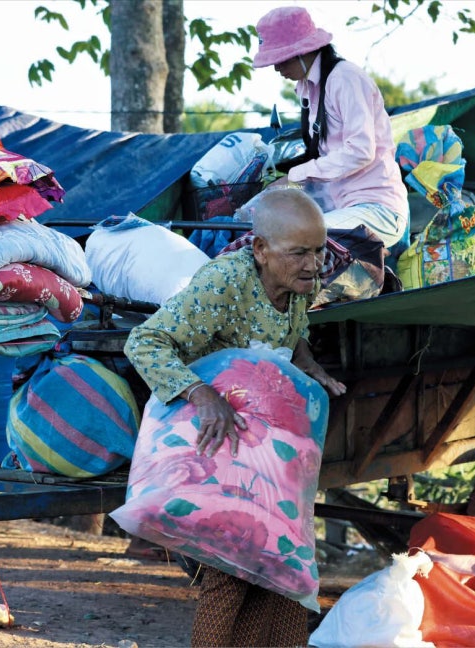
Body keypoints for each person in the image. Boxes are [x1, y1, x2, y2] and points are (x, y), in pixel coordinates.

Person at [124, 187, 346, 647]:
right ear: (260, 250)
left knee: (283, 562)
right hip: (213, 446)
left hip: (267, 449)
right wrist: (202, 394)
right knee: (233, 563)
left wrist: (311, 368)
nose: (313, 264)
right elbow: (144, 343)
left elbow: (294, 333)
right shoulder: (223, 283)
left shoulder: (300, 283)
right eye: (300, 253)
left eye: (320, 250)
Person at [252, 6, 411, 264]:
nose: (277, 68)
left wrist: (295, 176)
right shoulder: (306, 88)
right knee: (257, 227)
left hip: (379, 210)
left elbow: (360, 151)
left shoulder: (345, 78)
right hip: (342, 208)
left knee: (296, 240)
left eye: (282, 58)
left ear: (304, 51)